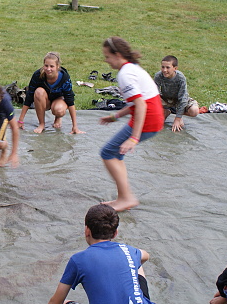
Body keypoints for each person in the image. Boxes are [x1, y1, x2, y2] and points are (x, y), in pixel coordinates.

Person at [24, 204, 158, 304]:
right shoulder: (128, 250)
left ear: (87, 230)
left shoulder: (78, 260)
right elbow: (145, 255)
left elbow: (55, 302)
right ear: (115, 233)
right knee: (136, 264)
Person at [98, 37, 163, 212]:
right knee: (116, 154)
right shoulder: (131, 68)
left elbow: (141, 105)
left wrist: (134, 138)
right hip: (152, 117)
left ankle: (126, 198)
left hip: (148, 119)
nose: (106, 60)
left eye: (107, 56)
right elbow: (137, 102)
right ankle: (123, 197)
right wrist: (116, 116)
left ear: (117, 55)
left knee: (107, 152)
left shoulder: (125, 74)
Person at [17, 52, 84, 135]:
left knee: (59, 110)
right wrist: (20, 120)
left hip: (59, 99)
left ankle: (58, 117)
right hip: (44, 100)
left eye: (52, 66)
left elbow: (70, 100)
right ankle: (41, 124)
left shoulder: (64, 78)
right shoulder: (37, 75)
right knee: (38, 91)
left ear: (58, 66)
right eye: (46, 66)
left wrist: (75, 126)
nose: (48, 69)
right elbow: (29, 96)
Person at [153, 55, 199, 132]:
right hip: (166, 99)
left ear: (175, 68)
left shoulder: (180, 78)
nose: (164, 70)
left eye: (168, 67)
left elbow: (183, 98)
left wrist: (178, 118)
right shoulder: (158, 76)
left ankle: (177, 113)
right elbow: (155, 94)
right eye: (163, 67)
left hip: (178, 100)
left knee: (194, 111)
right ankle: (166, 111)